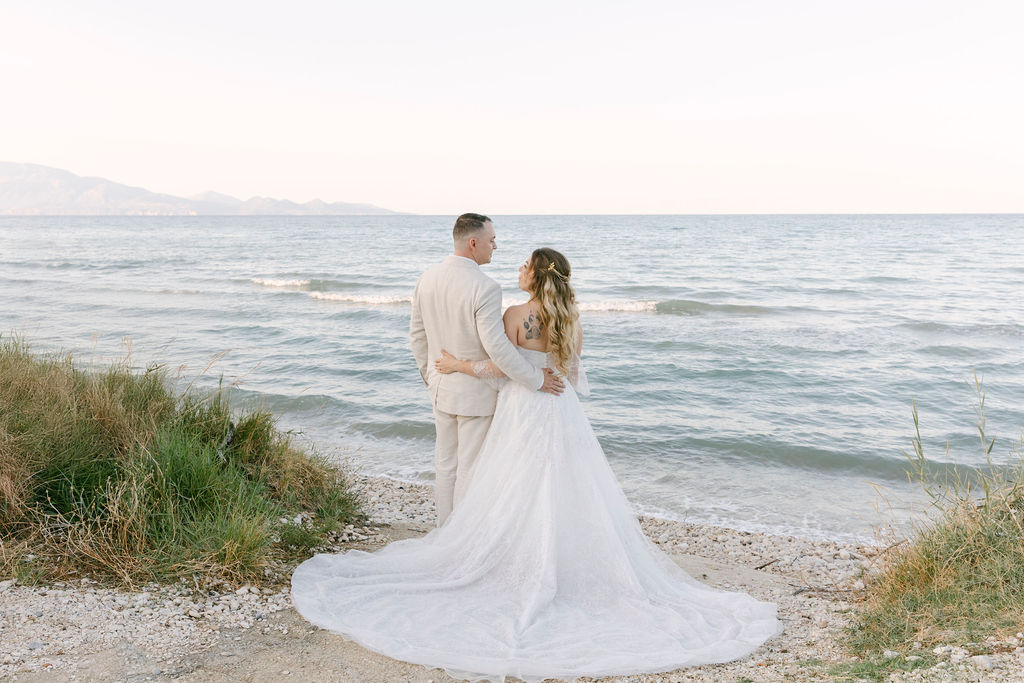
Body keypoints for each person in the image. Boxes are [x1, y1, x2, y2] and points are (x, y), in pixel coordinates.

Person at [291, 247, 782, 681]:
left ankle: (504, 553)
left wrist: (458, 366)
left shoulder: (514, 313)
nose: (518, 268)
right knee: (565, 483)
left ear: (536, 273)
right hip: (559, 407)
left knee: (512, 482)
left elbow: (503, 365)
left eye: (524, 264)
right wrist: (548, 374)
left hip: (523, 409)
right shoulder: (569, 317)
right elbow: (568, 373)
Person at [408, 213, 564, 526]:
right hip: (475, 395)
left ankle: (443, 533)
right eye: (491, 240)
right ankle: (458, 540)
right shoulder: (486, 287)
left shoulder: (427, 277)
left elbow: (417, 336)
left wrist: (431, 378)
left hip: (440, 388)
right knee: (470, 469)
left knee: (445, 465)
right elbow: (499, 350)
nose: (496, 246)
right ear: (473, 242)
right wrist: (535, 380)